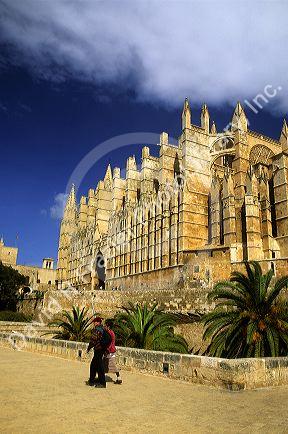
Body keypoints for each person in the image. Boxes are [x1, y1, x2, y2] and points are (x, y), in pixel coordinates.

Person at [86, 316, 107, 388]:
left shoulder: (97, 330)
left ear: (98, 322)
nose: (94, 323)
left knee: (99, 366)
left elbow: (93, 340)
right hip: (102, 349)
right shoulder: (103, 329)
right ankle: (92, 380)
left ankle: (102, 383)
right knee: (94, 365)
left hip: (98, 349)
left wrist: (89, 348)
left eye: (95, 322)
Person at [104, 319, 122, 385]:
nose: (104, 326)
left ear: (108, 326)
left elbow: (110, 343)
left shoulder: (110, 333)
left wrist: (107, 350)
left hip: (110, 351)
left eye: (105, 325)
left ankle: (119, 377)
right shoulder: (110, 332)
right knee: (104, 365)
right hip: (110, 351)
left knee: (112, 365)